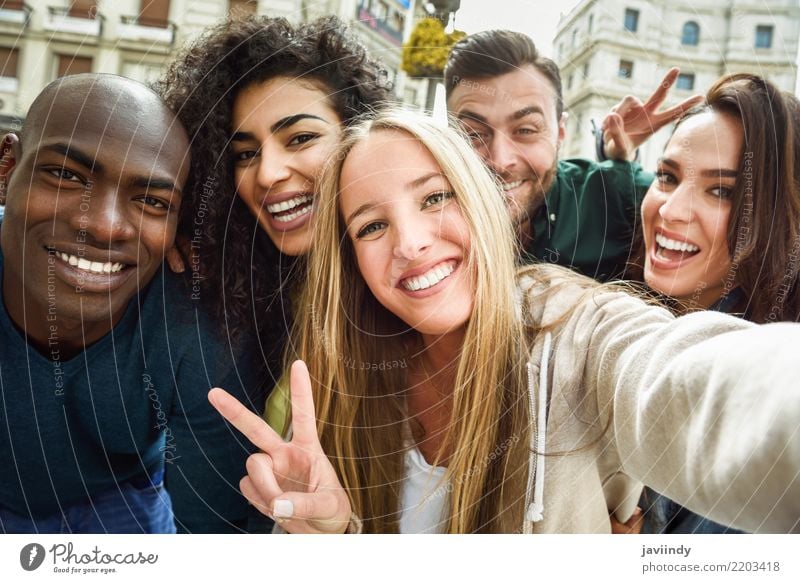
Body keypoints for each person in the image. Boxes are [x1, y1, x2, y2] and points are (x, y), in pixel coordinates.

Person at [208, 108, 800, 534]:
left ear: (485, 200)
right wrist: (334, 538)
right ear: (352, 263)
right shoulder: (341, 381)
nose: (411, 243)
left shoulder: (576, 327)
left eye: (436, 197)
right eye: (371, 225)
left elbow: (684, 381)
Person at [0, 74, 260, 533]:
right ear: (7, 169)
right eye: (65, 175)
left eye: (153, 202)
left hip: (123, 501)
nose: (103, 225)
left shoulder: (199, 328)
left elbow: (209, 536)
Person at [157, 14, 393, 386]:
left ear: (359, 134)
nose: (268, 174)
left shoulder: (414, 284)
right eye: (245, 154)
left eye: (300, 138)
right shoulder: (222, 288)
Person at [630, 73, 800, 534]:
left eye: (721, 191)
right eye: (666, 177)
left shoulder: (768, 397)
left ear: (780, 214)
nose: (669, 210)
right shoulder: (637, 319)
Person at [444, 30, 702, 280]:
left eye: (525, 130)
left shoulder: (609, 195)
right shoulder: (426, 218)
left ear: (560, 132)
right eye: (474, 134)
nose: (500, 161)